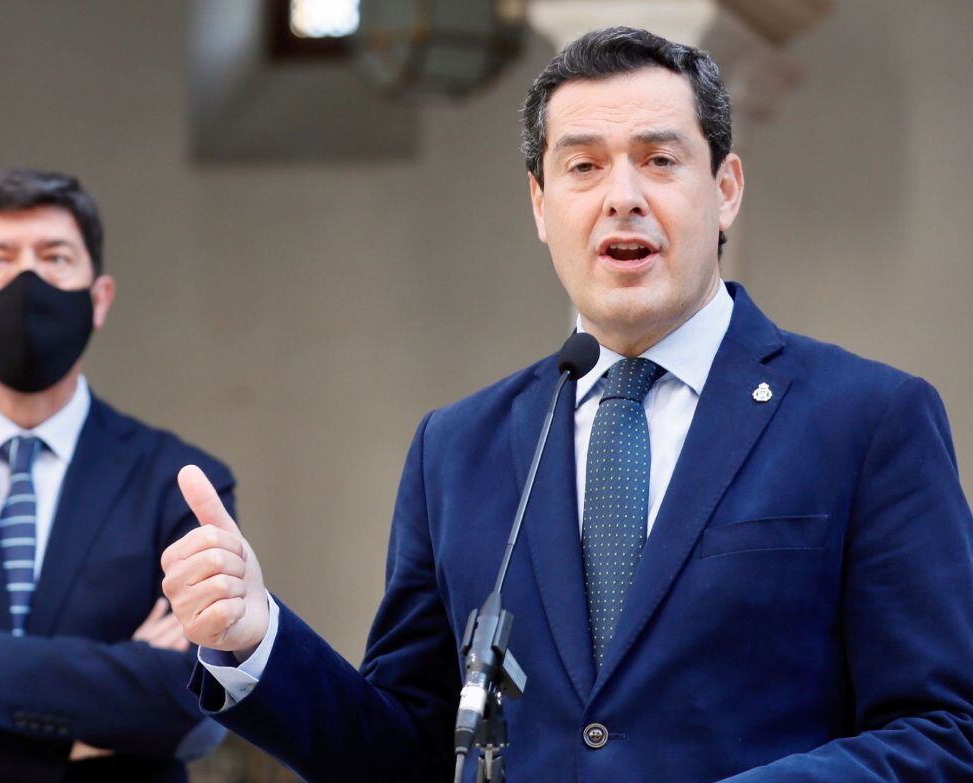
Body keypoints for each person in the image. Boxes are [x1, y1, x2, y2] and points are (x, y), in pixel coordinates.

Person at [161, 27, 973, 782]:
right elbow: (409, 751)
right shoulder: (458, 448)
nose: (622, 195)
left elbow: (945, 727)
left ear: (725, 189)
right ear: (540, 203)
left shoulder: (867, 420)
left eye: (660, 159)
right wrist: (255, 638)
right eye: (583, 166)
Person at [0, 168, 234, 782]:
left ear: (98, 299)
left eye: (55, 258)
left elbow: (190, 700)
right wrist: (78, 724)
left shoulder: (180, 482)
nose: (27, 282)